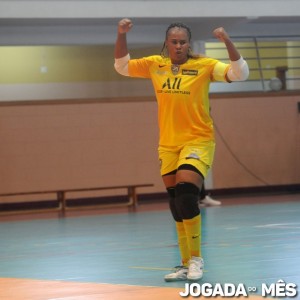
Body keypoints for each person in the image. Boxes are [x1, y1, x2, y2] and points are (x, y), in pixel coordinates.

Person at [114, 18, 249, 282]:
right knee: (177, 203)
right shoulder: (155, 64)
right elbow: (121, 66)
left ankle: (197, 259)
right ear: (167, 43)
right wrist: (121, 34)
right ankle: (185, 264)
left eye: (183, 42)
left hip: (198, 140)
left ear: (188, 44)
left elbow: (240, 73)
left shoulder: (204, 66)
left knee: (187, 195)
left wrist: (227, 41)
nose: (178, 46)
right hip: (168, 143)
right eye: (174, 42)